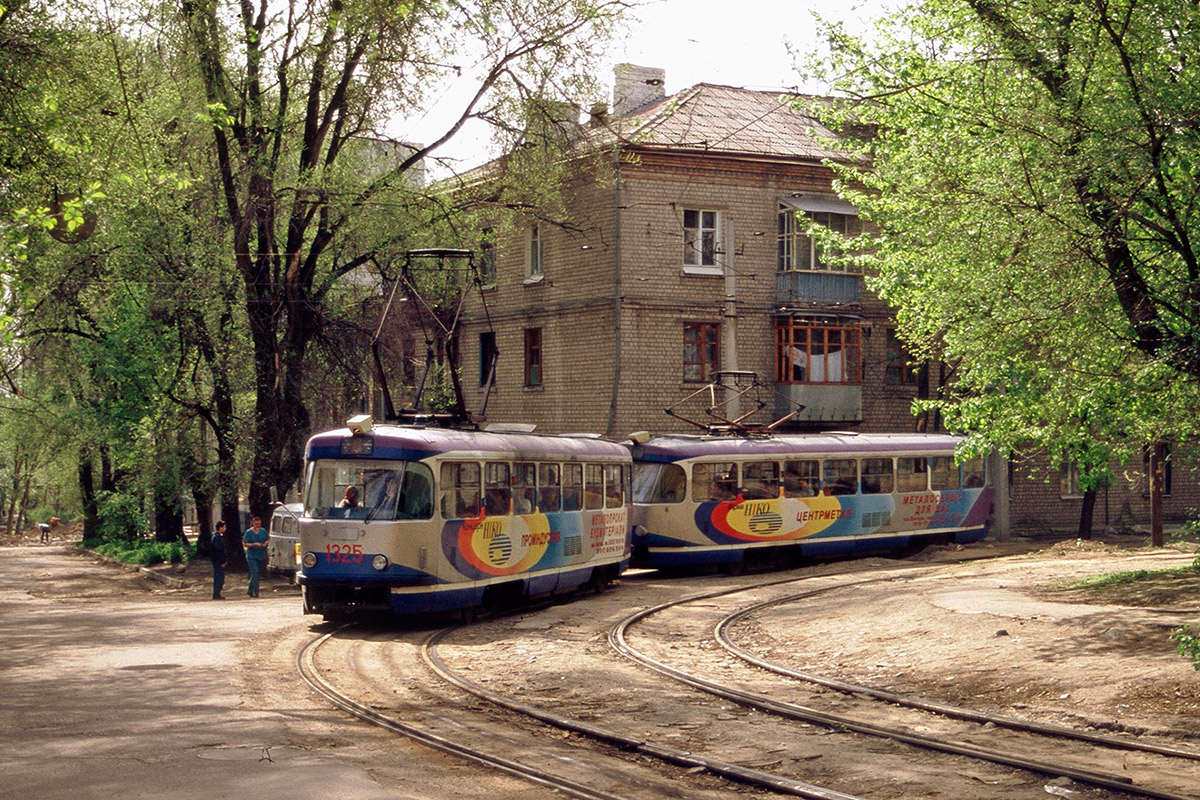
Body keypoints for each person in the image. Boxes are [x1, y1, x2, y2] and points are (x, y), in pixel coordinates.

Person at [243, 515, 269, 598]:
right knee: (255, 572)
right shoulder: (248, 532)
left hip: (261, 555)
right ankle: (256, 591)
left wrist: (265, 543)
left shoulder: (263, 531)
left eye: (259, 524)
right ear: (253, 523)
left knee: (256, 574)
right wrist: (254, 544)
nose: (258, 526)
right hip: (252, 556)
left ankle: (250, 590)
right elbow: (245, 543)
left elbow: (267, 539)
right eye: (256, 524)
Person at [210, 520, 228, 600]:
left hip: (217, 560)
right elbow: (219, 550)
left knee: (220, 577)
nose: (225, 528)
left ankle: (217, 593)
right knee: (219, 577)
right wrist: (222, 561)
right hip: (218, 561)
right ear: (220, 528)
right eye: (224, 527)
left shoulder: (218, 536)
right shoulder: (217, 538)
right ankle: (216, 593)